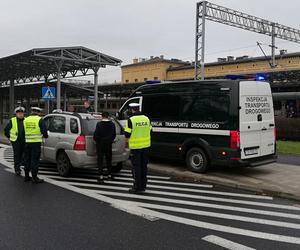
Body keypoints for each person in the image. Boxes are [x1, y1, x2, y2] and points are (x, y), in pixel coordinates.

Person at [125, 103, 152, 194]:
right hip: (146, 147)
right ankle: (143, 186)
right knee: (144, 167)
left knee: (136, 167)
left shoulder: (131, 120)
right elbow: (150, 130)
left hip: (136, 148)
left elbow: (127, 134)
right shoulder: (146, 118)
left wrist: (127, 144)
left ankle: (137, 187)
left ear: (132, 110)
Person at [23, 107, 48, 183]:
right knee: (35, 160)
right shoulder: (40, 120)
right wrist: (46, 135)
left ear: (32, 111)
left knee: (27, 159)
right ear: (38, 112)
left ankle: (26, 177)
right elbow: (44, 132)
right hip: (36, 143)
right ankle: (34, 178)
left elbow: (24, 131)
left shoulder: (26, 119)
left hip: (27, 143)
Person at [93, 112, 116, 183]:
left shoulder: (99, 124)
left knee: (100, 160)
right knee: (109, 159)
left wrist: (97, 141)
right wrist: (110, 140)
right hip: (109, 144)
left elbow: (96, 135)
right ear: (108, 116)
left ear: (102, 116)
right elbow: (114, 135)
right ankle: (109, 175)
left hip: (100, 144)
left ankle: (101, 176)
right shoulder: (112, 124)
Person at [4, 107, 26, 176]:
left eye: (21, 113)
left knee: (24, 155)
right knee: (17, 155)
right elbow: (6, 130)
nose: (20, 114)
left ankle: (23, 167)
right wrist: (10, 137)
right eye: (18, 113)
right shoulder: (12, 120)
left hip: (25, 141)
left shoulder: (26, 120)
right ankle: (17, 169)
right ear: (16, 114)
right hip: (16, 141)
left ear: (23, 113)